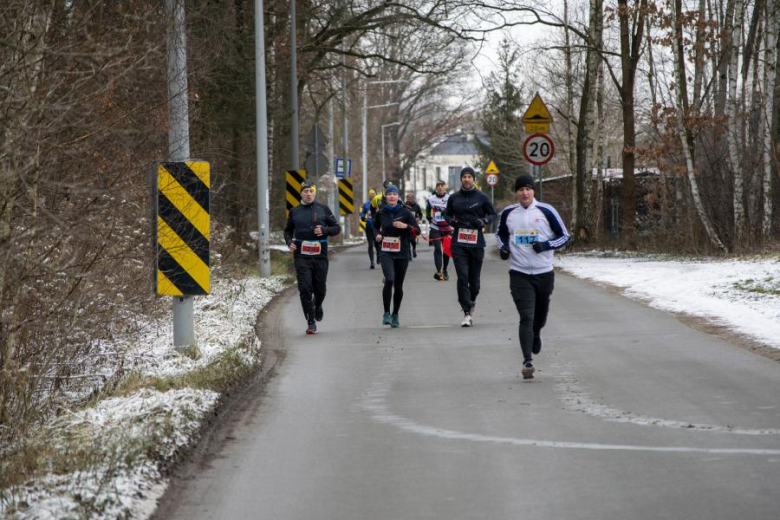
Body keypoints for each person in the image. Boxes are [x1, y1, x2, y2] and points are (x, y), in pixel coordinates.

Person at [496, 174, 570, 379]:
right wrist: (503, 248)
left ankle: (536, 333)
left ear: (533, 191)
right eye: (521, 189)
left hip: (543, 272)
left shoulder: (546, 211)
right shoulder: (509, 213)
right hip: (519, 273)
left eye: (528, 189)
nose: (525, 193)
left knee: (539, 316)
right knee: (526, 316)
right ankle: (527, 361)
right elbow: (500, 234)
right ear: (516, 192)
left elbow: (564, 236)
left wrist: (546, 245)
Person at [284, 181, 341, 334]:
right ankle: (310, 321)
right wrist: (289, 242)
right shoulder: (295, 211)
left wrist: (325, 229)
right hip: (301, 255)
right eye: (305, 191)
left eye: (311, 191)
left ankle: (318, 304)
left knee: (320, 288)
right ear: (301, 193)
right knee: (304, 288)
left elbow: (337, 228)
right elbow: (288, 231)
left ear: (315, 193)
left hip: (320, 254)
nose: (308, 194)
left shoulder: (323, 209)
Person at [443, 166, 496, 327]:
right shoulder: (454, 198)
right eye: (464, 176)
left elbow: (493, 214)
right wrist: (452, 222)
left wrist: (484, 221)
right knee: (462, 277)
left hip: (476, 243)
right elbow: (447, 214)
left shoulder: (482, 197)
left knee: (475, 282)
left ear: (474, 179)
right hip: (458, 242)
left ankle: (471, 301)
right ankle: (466, 312)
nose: (466, 179)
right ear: (461, 179)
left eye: (469, 177)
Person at [374, 185, 421, 328]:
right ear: (386, 197)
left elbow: (417, 231)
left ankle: (395, 314)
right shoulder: (381, 213)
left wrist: (405, 226)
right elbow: (374, 227)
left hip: (402, 251)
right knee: (389, 279)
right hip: (386, 250)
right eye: (389, 194)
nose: (392, 197)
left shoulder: (405, 212)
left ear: (398, 197)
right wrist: (378, 234)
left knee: (399, 285)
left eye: (394, 194)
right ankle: (386, 313)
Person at [426, 180, 452, 281]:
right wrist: (429, 219)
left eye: (442, 186)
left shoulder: (449, 198)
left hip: (447, 228)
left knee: (446, 249)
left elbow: (453, 210)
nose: (440, 187)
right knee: (437, 249)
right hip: (435, 227)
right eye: (438, 186)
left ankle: (445, 269)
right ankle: (439, 271)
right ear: (436, 188)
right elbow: (428, 209)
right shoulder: (431, 198)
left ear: (445, 187)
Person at [360, 188, 379, 268]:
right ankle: (372, 262)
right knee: (370, 244)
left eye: (373, 193)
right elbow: (363, 212)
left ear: (376, 194)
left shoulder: (379, 203)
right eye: (370, 193)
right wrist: (362, 217)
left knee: (377, 244)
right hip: (369, 226)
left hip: (377, 226)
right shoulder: (366, 204)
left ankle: (379, 257)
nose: (372, 195)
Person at [404, 192, 423, 260]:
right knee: (407, 240)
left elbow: (421, 214)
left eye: (411, 198)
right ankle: (409, 255)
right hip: (406, 225)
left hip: (414, 225)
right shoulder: (404, 205)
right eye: (409, 198)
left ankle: (414, 249)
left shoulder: (416, 206)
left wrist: (418, 218)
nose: (410, 199)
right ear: (407, 198)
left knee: (412, 240)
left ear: (413, 198)